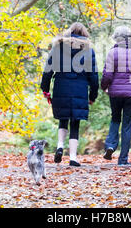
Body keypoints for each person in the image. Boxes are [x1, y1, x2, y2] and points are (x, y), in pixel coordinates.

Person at [40, 22, 99, 167]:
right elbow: (94, 76)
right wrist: (93, 95)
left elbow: (47, 71)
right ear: (84, 34)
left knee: (63, 118)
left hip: (61, 87)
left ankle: (60, 146)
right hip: (79, 89)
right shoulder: (88, 50)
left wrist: (45, 89)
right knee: (75, 122)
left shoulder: (57, 47)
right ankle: (73, 158)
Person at [101, 26, 131, 165]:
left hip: (115, 92)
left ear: (116, 38)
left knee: (115, 119)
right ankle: (123, 160)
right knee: (127, 125)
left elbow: (107, 74)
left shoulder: (112, 52)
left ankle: (110, 145)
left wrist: (104, 87)